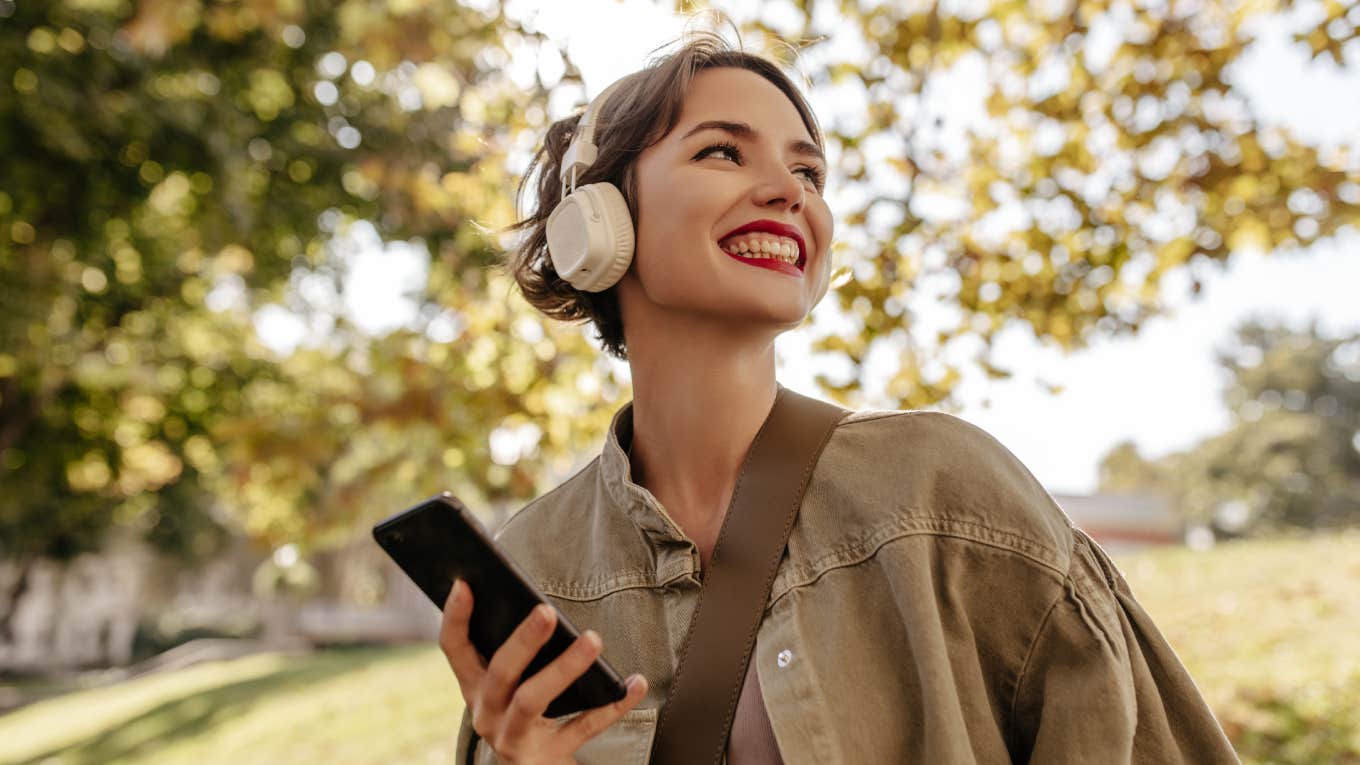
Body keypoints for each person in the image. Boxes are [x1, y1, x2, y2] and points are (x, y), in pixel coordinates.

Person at [440, 31, 1241, 765]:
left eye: (808, 172)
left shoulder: (945, 489)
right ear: (599, 221)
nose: (789, 192)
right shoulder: (536, 566)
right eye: (723, 152)